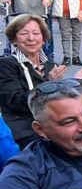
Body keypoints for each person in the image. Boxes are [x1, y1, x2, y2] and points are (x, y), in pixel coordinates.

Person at [0, 15, 71, 149]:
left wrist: (75, 83)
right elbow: (14, 102)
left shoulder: (51, 65)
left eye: (36, 33)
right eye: (24, 34)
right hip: (24, 129)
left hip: (52, 124)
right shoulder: (6, 64)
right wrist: (49, 84)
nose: (31, 38)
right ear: (14, 39)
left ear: (43, 39)